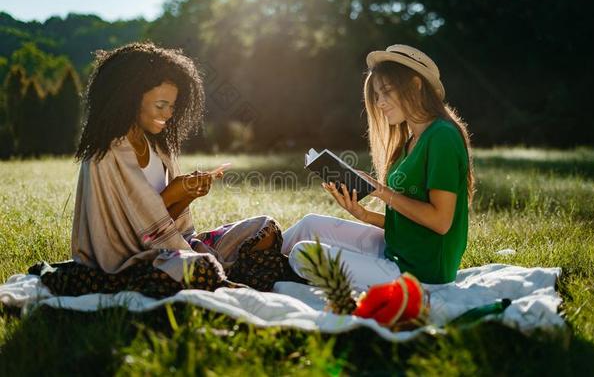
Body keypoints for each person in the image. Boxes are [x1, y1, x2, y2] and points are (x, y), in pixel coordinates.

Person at [34, 42, 293, 298]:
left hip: (169, 248)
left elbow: (161, 225)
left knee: (265, 228)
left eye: (172, 106)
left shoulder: (159, 147)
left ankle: (222, 276)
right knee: (197, 269)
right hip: (126, 264)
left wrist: (187, 194)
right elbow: (132, 237)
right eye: (161, 106)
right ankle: (225, 277)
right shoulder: (106, 155)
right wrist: (175, 191)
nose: (169, 114)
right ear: (130, 99)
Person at [282, 44, 474, 290]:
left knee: (303, 254)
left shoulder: (442, 136)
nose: (380, 103)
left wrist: (382, 192)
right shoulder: (410, 142)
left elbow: (440, 221)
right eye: (376, 95)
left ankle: (256, 267)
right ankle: (242, 260)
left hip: (420, 273)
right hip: (396, 250)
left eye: (386, 92)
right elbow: (410, 222)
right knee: (309, 224)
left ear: (415, 86)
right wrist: (364, 215)